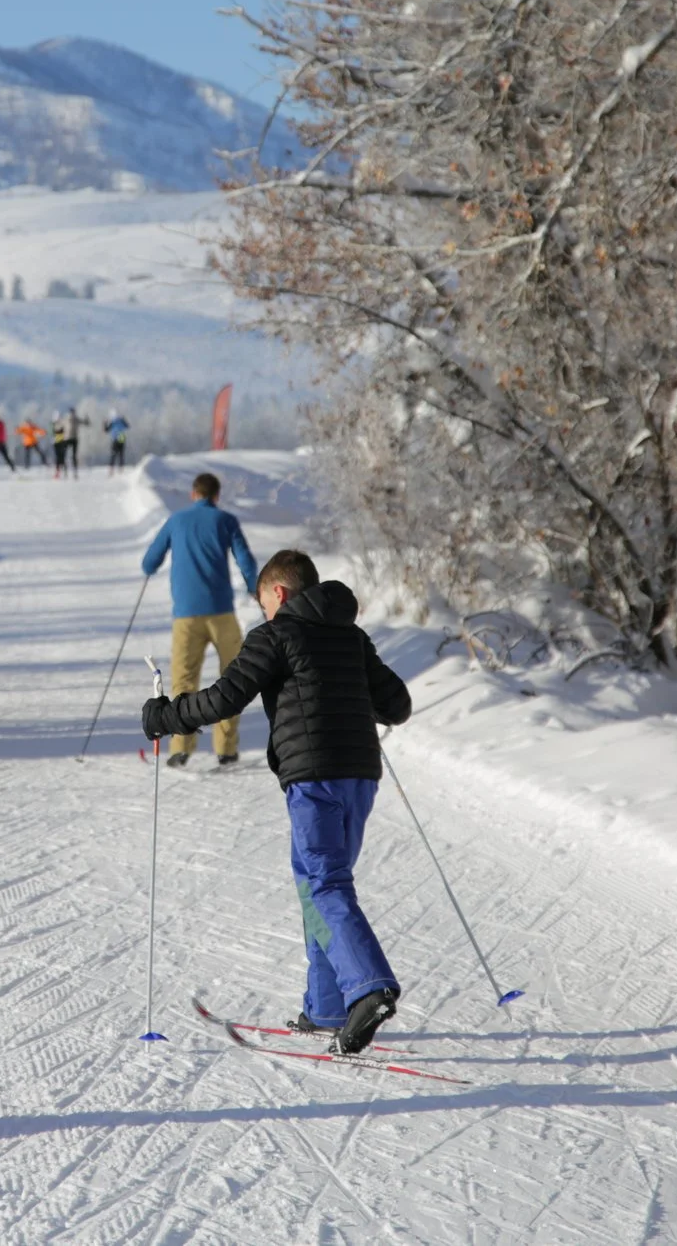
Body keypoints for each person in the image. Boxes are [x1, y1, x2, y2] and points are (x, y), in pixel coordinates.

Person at [140, 549, 412, 1055]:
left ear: (280, 593)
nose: (265, 612)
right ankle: (328, 1005)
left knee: (325, 884)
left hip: (314, 778)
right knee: (317, 884)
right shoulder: (351, 638)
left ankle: (370, 988)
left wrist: (167, 716)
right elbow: (397, 704)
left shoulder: (275, 634)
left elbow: (225, 698)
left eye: (265, 602)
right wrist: (346, 688)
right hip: (361, 776)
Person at [140, 472, 259, 769]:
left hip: (186, 616)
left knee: (183, 681)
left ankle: (180, 748)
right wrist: (253, 587)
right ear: (216, 497)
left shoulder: (175, 521)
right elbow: (245, 559)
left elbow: (149, 561)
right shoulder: (226, 521)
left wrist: (152, 567)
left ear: (194, 494)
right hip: (222, 613)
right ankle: (227, 749)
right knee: (232, 680)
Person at [50, 408, 75, 477]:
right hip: (56, 442)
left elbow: (65, 431)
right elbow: (51, 432)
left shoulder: (62, 423)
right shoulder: (52, 424)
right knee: (58, 458)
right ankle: (58, 472)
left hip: (62, 442)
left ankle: (64, 471)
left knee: (63, 457)